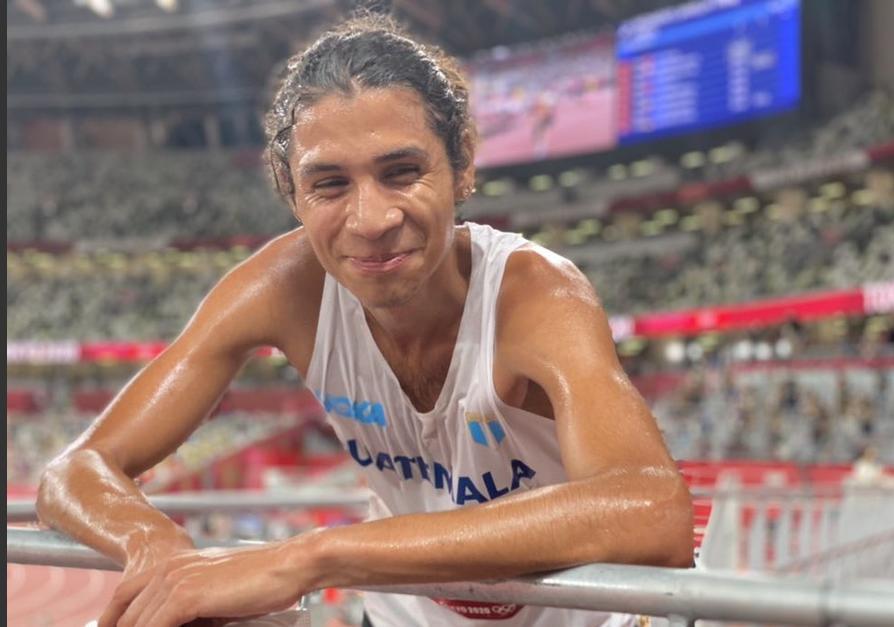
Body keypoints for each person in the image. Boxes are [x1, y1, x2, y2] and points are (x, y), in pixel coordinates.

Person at [36, 14, 693, 627]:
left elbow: (652, 507)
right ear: (289, 191)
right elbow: (76, 468)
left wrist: (313, 555)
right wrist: (157, 548)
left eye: (401, 171)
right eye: (329, 184)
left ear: (462, 165)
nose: (371, 219)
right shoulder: (281, 286)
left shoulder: (535, 292)